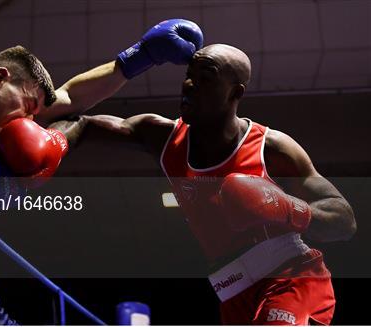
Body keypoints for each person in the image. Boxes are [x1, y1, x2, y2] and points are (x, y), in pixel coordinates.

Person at [0, 18, 204, 325]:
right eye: (27, 107)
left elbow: (71, 98)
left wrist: (141, 56)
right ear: (0, 79)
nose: (27, 123)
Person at [48, 43, 357, 325]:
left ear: (235, 93)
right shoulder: (164, 137)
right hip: (232, 292)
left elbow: (344, 220)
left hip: (292, 278)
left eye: (205, 77)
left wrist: (289, 208)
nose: (189, 85)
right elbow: (83, 123)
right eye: (189, 74)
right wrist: (51, 143)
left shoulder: (271, 148)